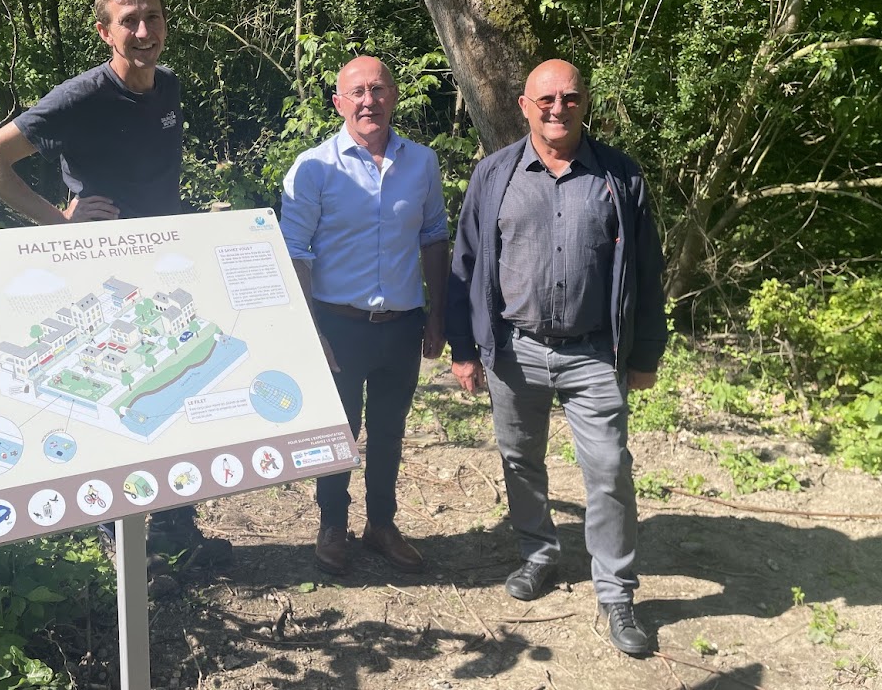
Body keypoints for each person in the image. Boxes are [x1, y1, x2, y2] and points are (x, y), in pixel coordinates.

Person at [0, 0, 225, 560]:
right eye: (128, 21)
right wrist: (60, 225)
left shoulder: (169, 88)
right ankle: (122, 545)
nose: (143, 31)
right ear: (105, 31)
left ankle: (178, 532)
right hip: (101, 273)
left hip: (164, 267)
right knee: (110, 401)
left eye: (152, 18)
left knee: (169, 392)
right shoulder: (80, 97)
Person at [446, 59, 667, 656]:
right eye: (546, 99)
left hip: (594, 353)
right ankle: (539, 554)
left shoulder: (619, 177)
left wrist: (646, 352)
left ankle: (616, 591)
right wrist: (464, 349)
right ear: (523, 105)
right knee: (520, 461)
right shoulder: (494, 175)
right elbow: (464, 267)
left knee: (609, 471)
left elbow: (648, 272)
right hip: (514, 350)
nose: (557, 108)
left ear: (584, 103)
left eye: (570, 98)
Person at [281, 56, 448, 576]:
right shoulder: (313, 168)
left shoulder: (421, 163)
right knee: (337, 433)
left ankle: (382, 524)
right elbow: (293, 251)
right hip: (337, 327)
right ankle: (332, 525)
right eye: (356, 92)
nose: (367, 101)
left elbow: (434, 237)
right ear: (338, 103)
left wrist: (438, 316)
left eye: (377, 90)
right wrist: (309, 331)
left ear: (394, 97)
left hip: (401, 326)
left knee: (389, 429)